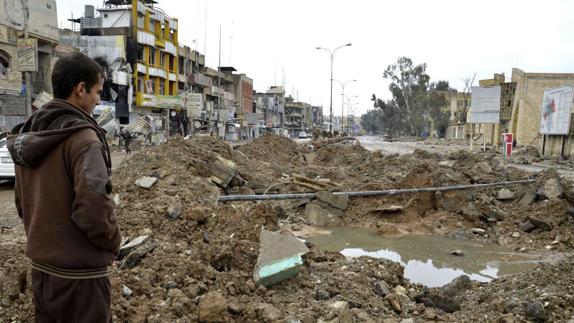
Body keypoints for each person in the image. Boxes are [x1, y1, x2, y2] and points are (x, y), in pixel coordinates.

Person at [7, 52, 121, 323]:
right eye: (97, 92)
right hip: (81, 281)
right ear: (80, 89)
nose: (97, 100)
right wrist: (114, 242)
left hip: (42, 275)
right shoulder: (84, 139)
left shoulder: (31, 133)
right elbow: (94, 209)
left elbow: (22, 204)